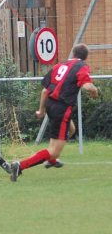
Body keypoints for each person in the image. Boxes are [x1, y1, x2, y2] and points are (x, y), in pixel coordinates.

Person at [10, 44, 98, 182]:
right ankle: (20, 166)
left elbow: (45, 90)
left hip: (51, 104)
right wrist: (94, 91)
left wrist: (42, 110)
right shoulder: (81, 66)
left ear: (73, 53)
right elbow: (87, 85)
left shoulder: (60, 65)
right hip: (62, 108)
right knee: (53, 150)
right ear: (85, 56)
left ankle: (51, 160)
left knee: (71, 129)